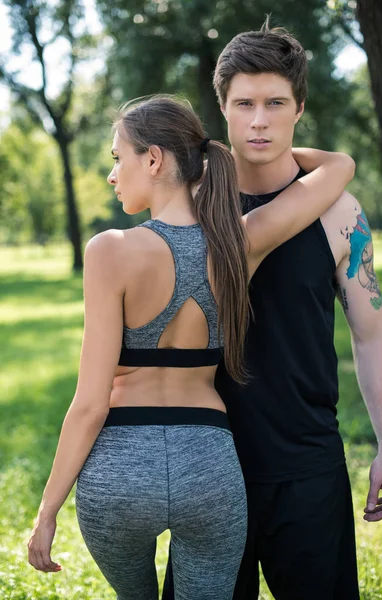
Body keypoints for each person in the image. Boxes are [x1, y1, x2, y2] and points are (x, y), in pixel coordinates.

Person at [27, 94, 354, 600]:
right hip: (210, 467)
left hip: (120, 472)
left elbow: (90, 404)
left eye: (118, 158)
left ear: (153, 159)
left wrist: (47, 512)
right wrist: (228, 154)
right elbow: (339, 166)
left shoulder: (110, 251)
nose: (113, 175)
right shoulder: (237, 245)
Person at [162, 21, 382, 600]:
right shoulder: (186, 206)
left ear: (299, 108)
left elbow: (371, 335)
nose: (259, 120)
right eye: (244, 104)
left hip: (308, 465)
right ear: (223, 108)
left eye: (275, 102)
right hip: (209, 463)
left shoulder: (342, 215)